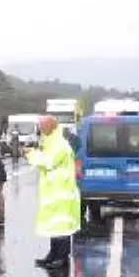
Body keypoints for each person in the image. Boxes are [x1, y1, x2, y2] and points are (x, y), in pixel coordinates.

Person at [25, 115, 80, 268]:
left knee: (61, 226)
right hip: (55, 193)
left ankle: (61, 258)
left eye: (42, 126)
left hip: (62, 192)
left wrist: (31, 154)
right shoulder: (50, 142)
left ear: (51, 127)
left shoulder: (60, 144)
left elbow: (48, 162)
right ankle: (53, 255)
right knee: (54, 226)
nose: (40, 129)